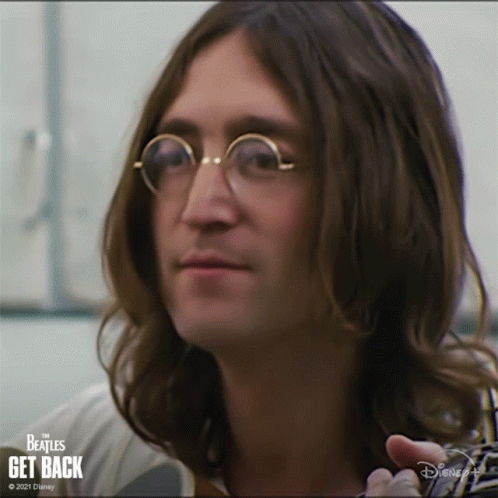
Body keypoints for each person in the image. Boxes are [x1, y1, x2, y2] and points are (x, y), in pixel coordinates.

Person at [4, 2, 497, 496]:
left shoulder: (469, 469)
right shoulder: (92, 455)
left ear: (384, 193)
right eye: (175, 156)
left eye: (261, 158)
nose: (200, 208)